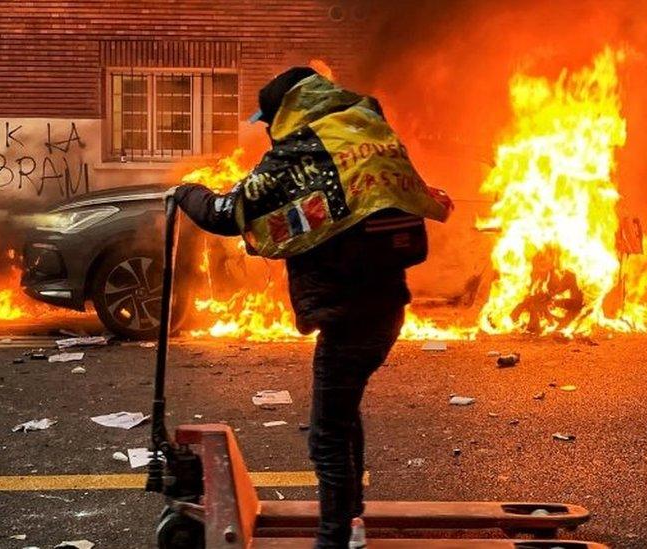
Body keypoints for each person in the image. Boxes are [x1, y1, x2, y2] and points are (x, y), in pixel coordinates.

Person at [173, 67, 452, 549]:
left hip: (347, 314)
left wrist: (186, 193)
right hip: (386, 305)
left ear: (287, 110)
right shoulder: (365, 135)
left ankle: (335, 537)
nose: (267, 129)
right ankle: (353, 518)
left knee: (325, 437)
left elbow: (226, 214)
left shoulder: (299, 153)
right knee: (343, 414)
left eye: (269, 120)